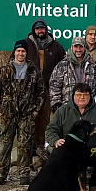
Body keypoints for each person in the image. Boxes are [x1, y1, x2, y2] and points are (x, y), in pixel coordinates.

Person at [0, 40, 45, 186]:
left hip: (27, 114)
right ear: (14, 52)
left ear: (26, 53)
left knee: (25, 144)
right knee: (4, 144)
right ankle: (1, 173)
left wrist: (36, 110)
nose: (21, 54)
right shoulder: (4, 70)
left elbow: (41, 92)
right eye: (18, 51)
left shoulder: (33, 71)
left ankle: (24, 173)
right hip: (7, 114)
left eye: (23, 51)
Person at [45, 82, 96, 191]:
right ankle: (68, 185)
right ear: (73, 96)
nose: (82, 97)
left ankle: (95, 185)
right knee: (58, 157)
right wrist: (55, 140)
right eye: (78, 95)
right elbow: (50, 130)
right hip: (69, 151)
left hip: (90, 151)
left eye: (85, 95)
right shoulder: (62, 111)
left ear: (90, 96)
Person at [25, 18, 65, 158]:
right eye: (37, 29)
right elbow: (15, 61)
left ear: (46, 29)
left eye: (42, 28)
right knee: (28, 118)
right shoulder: (26, 45)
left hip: (48, 88)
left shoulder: (56, 47)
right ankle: (27, 148)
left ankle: (40, 147)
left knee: (44, 119)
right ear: (33, 30)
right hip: (29, 89)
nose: (40, 31)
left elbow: (63, 67)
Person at [49, 36, 96, 112]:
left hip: (89, 109)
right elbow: (54, 86)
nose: (78, 50)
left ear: (84, 48)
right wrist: (56, 105)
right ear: (71, 47)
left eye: (81, 47)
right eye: (76, 47)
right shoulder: (62, 65)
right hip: (68, 109)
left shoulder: (94, 65)